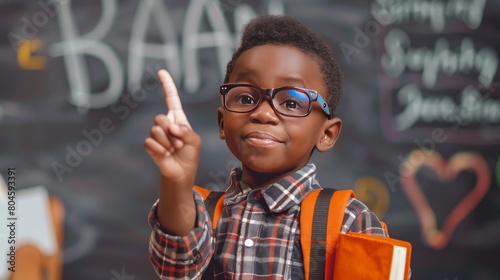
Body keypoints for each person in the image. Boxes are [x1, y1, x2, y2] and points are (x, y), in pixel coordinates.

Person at [145, 15, 388, 279]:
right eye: (246, 97)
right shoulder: (199, 213)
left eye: (292, 103)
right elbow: (176, 268)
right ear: (222, 123)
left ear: (327, 134)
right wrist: (177, 182)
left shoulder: (350, 220)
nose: (263, 113)